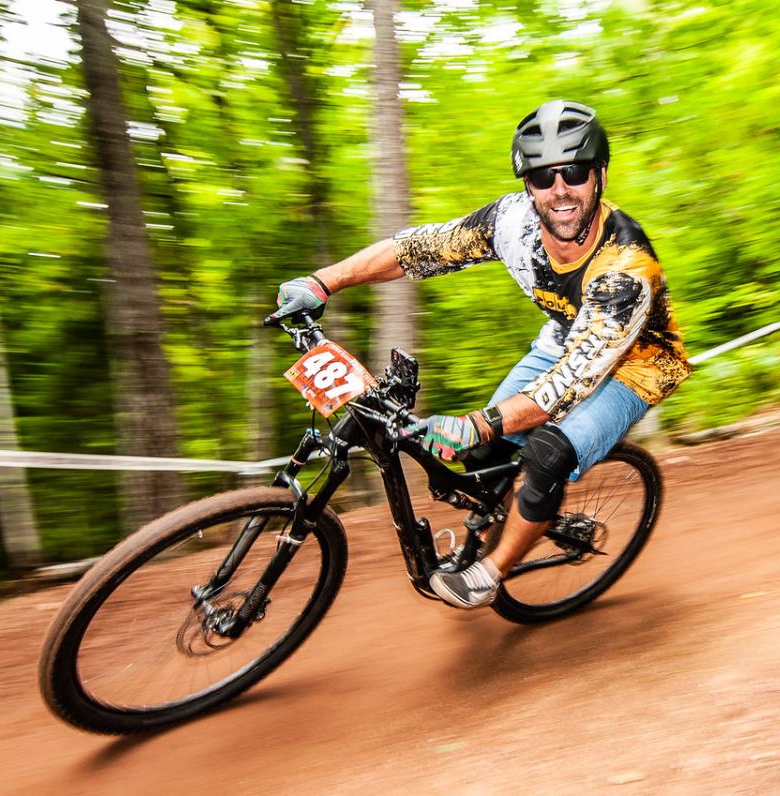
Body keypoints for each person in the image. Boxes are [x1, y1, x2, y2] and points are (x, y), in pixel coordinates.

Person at [271, 99, 691, 608]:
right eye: (542, 177)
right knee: (481, 453)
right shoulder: (510, 222)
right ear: (527, 184)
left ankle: (491, 570)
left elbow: (561, 390)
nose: (560, 190)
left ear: (599, 175)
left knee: (545, 453)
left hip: (638, 364)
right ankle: (515, 509)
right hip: (566, 337)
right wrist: (322, 282)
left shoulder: (626, 267)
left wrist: (477, 421)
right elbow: (415, 250)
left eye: (574, 172)